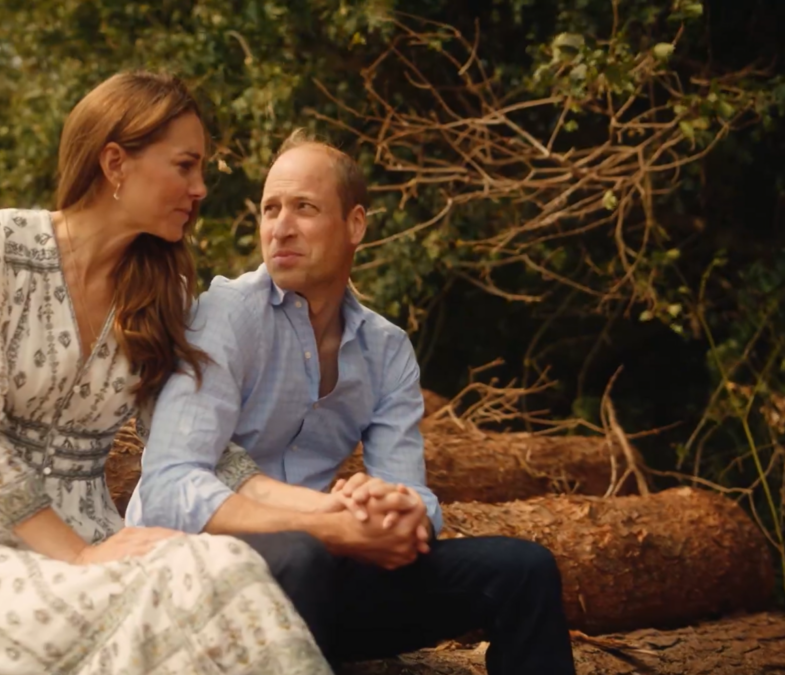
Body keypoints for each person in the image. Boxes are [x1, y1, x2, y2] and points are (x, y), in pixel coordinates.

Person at [0, 72, 332, 675]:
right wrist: (77, 557)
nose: (200, 188)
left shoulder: (163, 287)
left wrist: (319, 511)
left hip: (96, 536)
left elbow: (190, 438)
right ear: (116, 162)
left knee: (227, 567)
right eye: (185, 166)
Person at [127, 129, 578, 674]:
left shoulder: (386, 348)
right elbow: (169, 485)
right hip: (205, 583)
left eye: (304, 208)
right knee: (301, 554)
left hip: (326, 577)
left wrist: (404, 511)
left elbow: (411, 489)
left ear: (356, 225)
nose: (280, 227)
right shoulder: (226, 316)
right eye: (270, 209)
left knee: (523, 568)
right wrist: (326, 523)